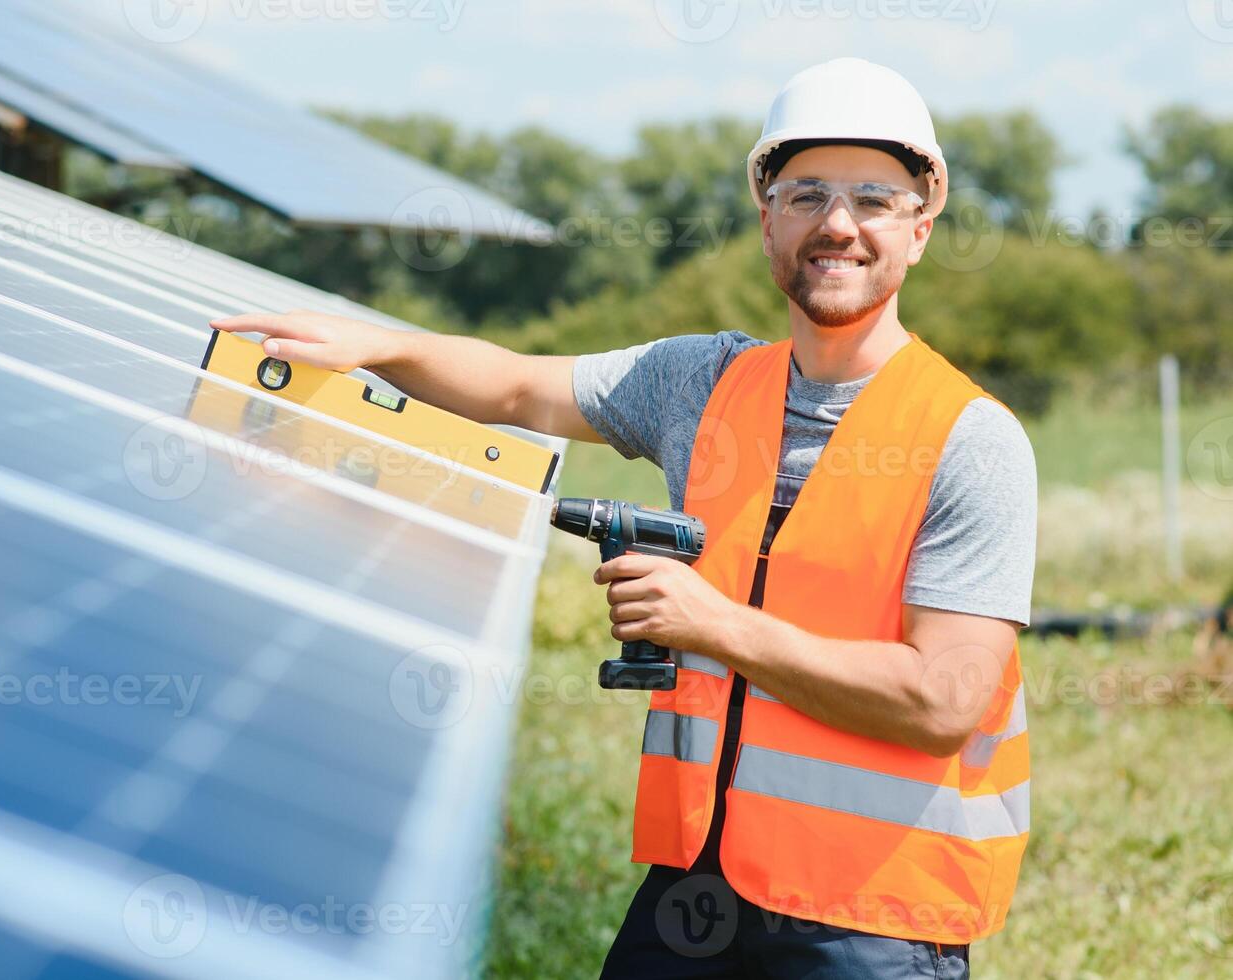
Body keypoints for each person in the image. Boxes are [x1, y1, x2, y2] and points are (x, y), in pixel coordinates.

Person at [212, 56, 1035, 980]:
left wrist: (711, 625)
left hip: (871, 921)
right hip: (697, 888)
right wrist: (377, 344)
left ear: (920, 229)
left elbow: (943, 700)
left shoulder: (972, 440)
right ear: (767, 220)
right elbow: (522, 386)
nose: (836, 225)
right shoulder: (702, 381)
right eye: (806, 195)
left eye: (873, 200)